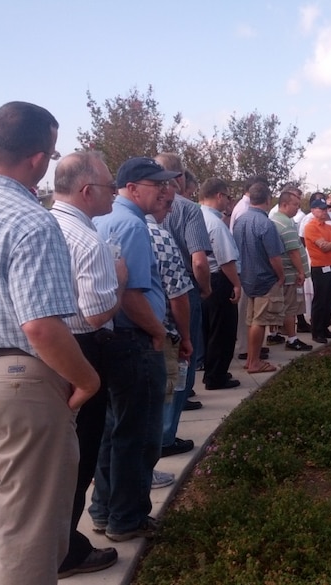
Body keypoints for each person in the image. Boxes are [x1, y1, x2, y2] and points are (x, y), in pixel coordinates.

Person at [0, 101, 100, 585]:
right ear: (37, 158)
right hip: (17, 384)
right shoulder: (30, 220)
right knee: (26, 532)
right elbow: (40, 327)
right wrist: (86, 379)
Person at [89, 157, 179, 542]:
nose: (162, 190)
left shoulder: (103, 219)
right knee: (139, 434)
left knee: (113, 431)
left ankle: (105, 510)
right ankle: (127, 518)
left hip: (112, 341)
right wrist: (157, 331)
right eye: (154, 183)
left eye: (164, 184)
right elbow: (131, 294)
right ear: (131, 187)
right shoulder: (131, 224)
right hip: (134, 339)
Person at [51, 151, 127, 578]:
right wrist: (119, 278)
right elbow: (97, 313)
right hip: (83, 346)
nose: (113, 193)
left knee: (58, 457)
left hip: (48, 350)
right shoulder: (89, 240)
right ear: (86, 191)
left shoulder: (45, 223)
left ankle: (58, 542)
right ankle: (66, 550)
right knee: (80, 456)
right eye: (108, 186)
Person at [156, 154, 210, 453]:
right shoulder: (189, 209)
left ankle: (157, 432)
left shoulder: (138, 212)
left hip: (148, 293)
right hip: (182, 288)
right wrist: (203, 289)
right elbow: (199, 261)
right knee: (183, 358)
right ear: (179, 178)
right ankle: (166, 435)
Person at [145, 186, 195, 460]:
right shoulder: (160, 237)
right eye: (167, 203)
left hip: (123, 333)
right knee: (165, 391)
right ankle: (163, 440)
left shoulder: (106, 226)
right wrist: (185, 336)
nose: (171, 209)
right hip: (161, 330)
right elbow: (178, 295)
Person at [232, 181, 285, 374]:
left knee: (251, 319)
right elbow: (274, 257)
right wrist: (281, 277)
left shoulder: (239, 220)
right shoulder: (266, 224)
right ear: (268, 200)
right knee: (260, 321)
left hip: (246, 277)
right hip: (264, 279)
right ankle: (254, 362)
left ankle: (250, 359)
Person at [198, 178, 243, 389]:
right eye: (227, 197)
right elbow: (225, 258)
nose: (228, 201)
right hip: (220, 279)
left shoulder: (197, 216)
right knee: (223, 330)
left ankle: (212, 372)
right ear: (219, 196)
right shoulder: (215, 223)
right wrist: (236, 284)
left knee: (211, 329)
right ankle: (217, 376)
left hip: (207, 278)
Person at [270, 185, 312, 351]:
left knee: (281, 306)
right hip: (289, 273)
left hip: (283, 271)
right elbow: (293, 251)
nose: (298, 208)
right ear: (285, 204)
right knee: (290, 308)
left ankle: (274, 334)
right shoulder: (286, 223)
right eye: (295, 204)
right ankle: (292, 339)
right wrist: (301, 271)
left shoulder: (274, 219)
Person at [305, 198, 331, 344]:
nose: (324, 211)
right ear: (313, 211)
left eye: (325, 209)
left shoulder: (329, 227)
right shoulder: (311, 227)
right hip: (320, 267)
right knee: (320, 300)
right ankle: (317, 331)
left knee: (329, 298)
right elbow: (324, 246)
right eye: (320, 209)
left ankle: (325, 327)